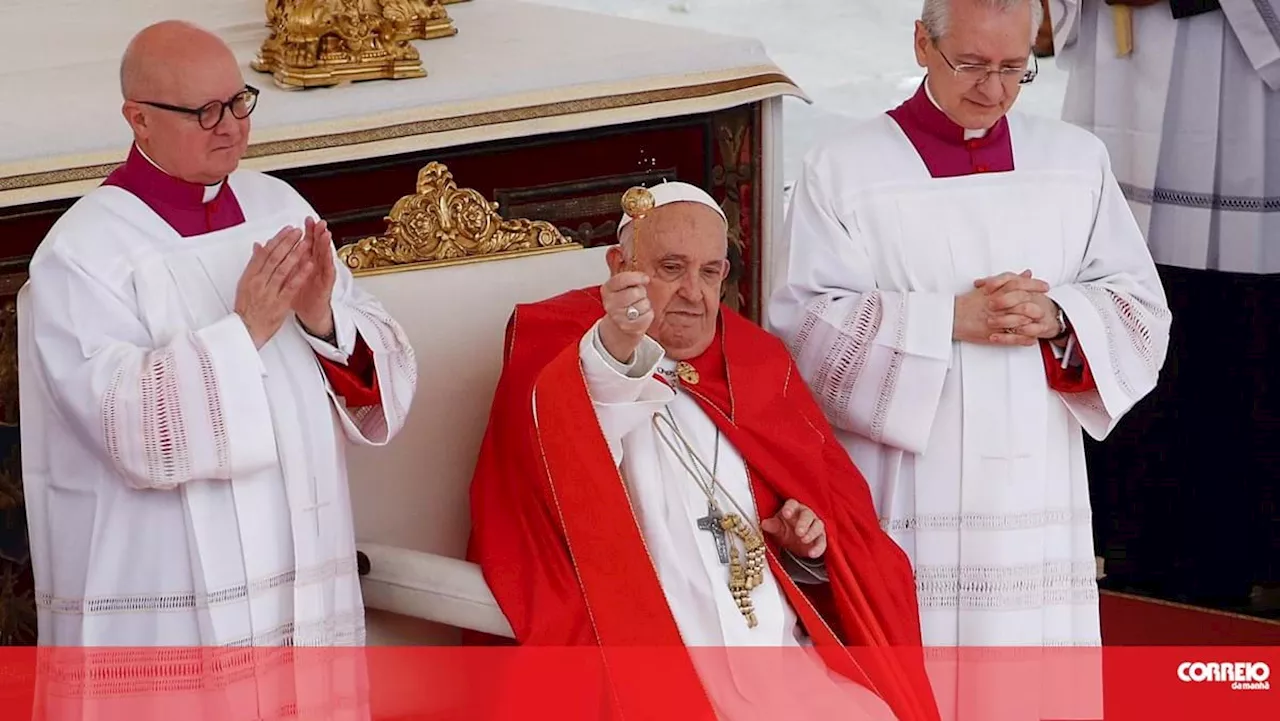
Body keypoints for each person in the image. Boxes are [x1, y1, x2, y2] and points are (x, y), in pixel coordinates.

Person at [768, 0, 1170, 668]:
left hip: (1037, 474)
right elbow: (805, 325)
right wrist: (949, 319)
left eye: (1016, 68)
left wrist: (1060, 317)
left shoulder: (1074, 161)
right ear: (922, 45)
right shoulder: (846, 168)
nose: (995, 90)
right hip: (910, 479)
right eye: (974, 66)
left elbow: (1138, 307)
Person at [466, 181, 941, 721]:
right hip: (654, 671)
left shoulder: (756, 362)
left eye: (711, 272)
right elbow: (558, 451)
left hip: (780, 663)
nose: (694, 293)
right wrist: (620, 341)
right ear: (620, 265)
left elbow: (836, 540)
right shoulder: (564, 349)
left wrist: (799, 543)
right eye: (671, 268)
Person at [17, 20, 417, 647]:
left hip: (300, 559)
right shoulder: (82, 254)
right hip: (165, 586)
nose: (230, 125)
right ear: (138, 118)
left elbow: (379, 385)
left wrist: (323, 320)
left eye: (238, 102)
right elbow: (126, 429)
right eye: (204, 111)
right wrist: (243, 333)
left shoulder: (281, 207)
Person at [1050, 0, 1280, 608]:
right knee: (1116, 301)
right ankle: (1127, 554)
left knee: (1233, 343)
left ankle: (1239, 571)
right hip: (1115, 88)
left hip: (1243, 103)